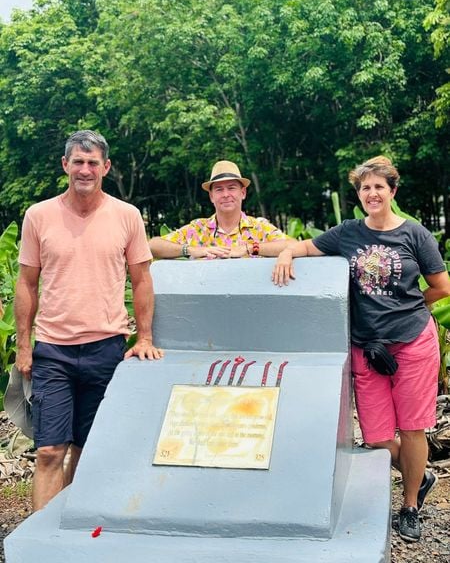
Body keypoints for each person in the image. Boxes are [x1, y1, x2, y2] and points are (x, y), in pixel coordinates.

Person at [272, 156, 450, 543]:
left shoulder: (416, 234)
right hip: (366, 347)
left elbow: (441, 286)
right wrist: (286, 253)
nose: (372, 193)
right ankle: (421, 475)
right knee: (377, 436)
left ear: (392, 191)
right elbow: (305, 246)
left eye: (379, 187)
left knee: (411, 427)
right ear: (359, 194)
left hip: (412, 342)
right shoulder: (348, 233)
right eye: (365, 187)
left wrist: (408, 309)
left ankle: (410, 505)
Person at [14, 130, 163, 511]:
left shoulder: (127, 216)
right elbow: (27, 283)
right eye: (78, 162)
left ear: (106, 167)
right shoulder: (39, 216)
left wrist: (145, 338)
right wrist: (24, 346)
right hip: (54, 350)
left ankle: (70, 524)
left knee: (86, 446)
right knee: (49, 450)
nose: (85, 170)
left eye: (92, 162)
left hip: (106, 347)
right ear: (65, 165)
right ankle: (42, 535)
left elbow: (142, 279)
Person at [149, 160, 295, 259]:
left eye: (231, 188)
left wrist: (250, 248)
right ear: (211, 196)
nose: (226, 195)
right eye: (219, 189)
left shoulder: (259, 228)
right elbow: (152, 245)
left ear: (243, 193)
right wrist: (192, 250)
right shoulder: (197, 229)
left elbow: (293, 245)